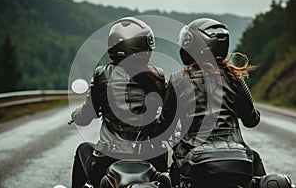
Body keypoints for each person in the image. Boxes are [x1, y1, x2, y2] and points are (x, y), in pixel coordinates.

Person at [157, 18, 266, 187]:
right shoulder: (235, 78)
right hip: (236, 159)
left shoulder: (178, 79)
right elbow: (252, 121)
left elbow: (163, 126)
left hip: (193, 159)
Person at [70, 17, 168, 188]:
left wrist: (76, 116)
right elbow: (167, 113)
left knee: (82, 149)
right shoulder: (158, 75)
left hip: (109, 156)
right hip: (150, 156)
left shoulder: (102, 74)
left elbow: (87, 115)